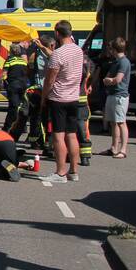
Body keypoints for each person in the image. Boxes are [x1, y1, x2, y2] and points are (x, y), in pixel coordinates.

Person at [41, 20, 84, 183]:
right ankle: (74, 171)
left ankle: (60, 172)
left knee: (58, 135)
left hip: (58, 98)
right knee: (72, 135)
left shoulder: (58, 54)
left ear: (57, 34)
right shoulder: (78, 51)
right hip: (74, 97)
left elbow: (50, 80)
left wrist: (44, 98)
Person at [101, 37, 131, 158]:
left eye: (110, 48)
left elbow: (117, 79)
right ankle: (114, 147)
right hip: (112, 95)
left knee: (121, 122)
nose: (109, 51)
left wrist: (109, 80)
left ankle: (123, 150)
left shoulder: (124, 62)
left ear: (114, 49)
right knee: (114, 123)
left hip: (120, 96)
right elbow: (108, 78)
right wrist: (108, 80)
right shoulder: (115, 62)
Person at [1, 44, 28, 134]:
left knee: (13, 107)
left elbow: (4, 73)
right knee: (20, 107)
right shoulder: (23, 61)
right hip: (23, 86)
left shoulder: (10, 60)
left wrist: (1, 83)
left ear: (11, 51)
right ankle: (22, 126)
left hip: (13, 86)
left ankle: (7, 127)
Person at [76, 58, 94, 166]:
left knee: (72, 130)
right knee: (82, 130)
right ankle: (85, 157)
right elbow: (90, 77)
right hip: (81, 100)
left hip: (73, 100)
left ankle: (82, 156)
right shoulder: (86, 62)